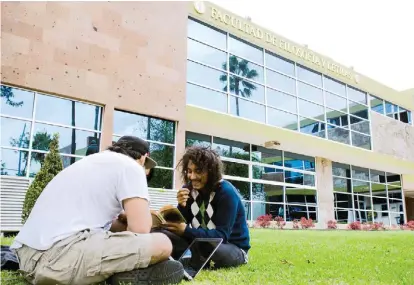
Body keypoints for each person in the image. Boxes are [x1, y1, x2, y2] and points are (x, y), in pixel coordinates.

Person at [10, 135, 184, 285]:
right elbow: (141, 230)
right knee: (162, 243)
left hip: (25, 256)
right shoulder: (132, 167)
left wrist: (122, 221)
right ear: (143, 158)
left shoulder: (89, 163)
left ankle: (119, 274)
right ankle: (120, 275)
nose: (146, 173)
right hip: (55, 259)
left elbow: (97, 226)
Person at [157, 146, 251, 269]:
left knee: (213, 250)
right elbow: (182, 223)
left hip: (229, 246)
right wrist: (181, 206)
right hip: (198, 242)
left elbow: (221, 236)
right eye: (189, 171)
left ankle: (190, 258)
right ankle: (192, 257)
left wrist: (186, 231)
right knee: (161, 234)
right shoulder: (189, 189)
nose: (192, 176)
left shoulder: (227, 193)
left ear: (212, 171)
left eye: (198, 171)